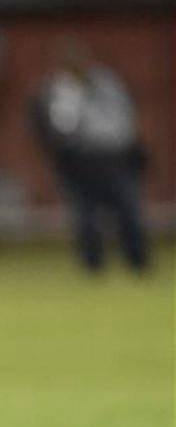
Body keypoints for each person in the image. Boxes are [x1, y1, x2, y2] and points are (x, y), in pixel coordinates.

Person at [33, 39, 150, 273]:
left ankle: (138, 262)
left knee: (129, 212)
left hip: (115, 158)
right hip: (81, 160)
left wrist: (133, 150)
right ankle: (93, 265)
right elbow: (57, 127)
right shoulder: (59, 90)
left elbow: (125, 120)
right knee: (85, 217)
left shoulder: (108, 84)